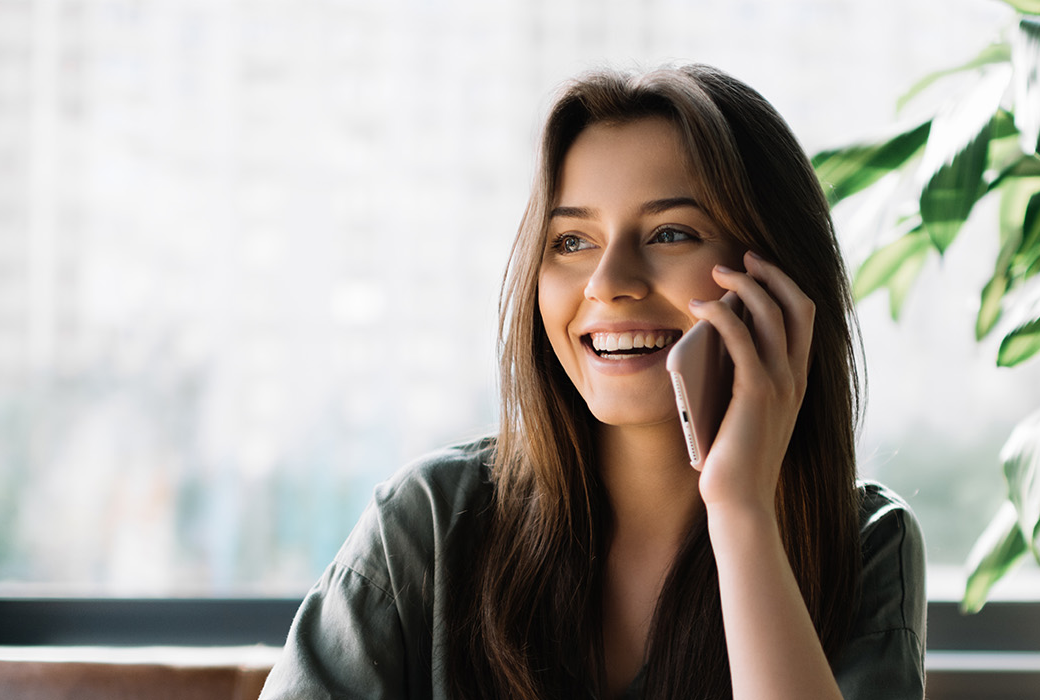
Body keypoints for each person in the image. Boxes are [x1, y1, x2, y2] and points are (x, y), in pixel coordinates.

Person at [259, 64, 925, 700]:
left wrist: (739, 508)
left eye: (669, 233)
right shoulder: (427, 524)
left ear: (774, 283)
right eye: (572, 242)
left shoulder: (865, 546)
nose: (607, 284)